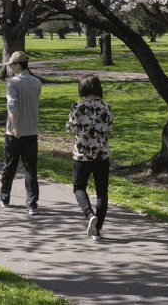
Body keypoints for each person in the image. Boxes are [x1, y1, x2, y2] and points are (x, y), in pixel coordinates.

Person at [66, 74, 113, 240]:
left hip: (82, 155)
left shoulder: (77, 107)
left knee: (79, 187)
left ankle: (89, 214)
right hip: (101, 154)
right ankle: (97, 229)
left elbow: (70, 128)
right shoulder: (105, 106)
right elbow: (109, 126)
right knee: (102, 192)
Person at [0, 50, 42, 214]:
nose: (9, 68)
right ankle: (31, 204)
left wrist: (14, 126)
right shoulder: (37, 82)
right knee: (30, 168)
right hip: (31, 131)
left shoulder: (12, 83)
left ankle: (4, 196)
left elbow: (12, 106)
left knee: (10, 166)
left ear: (17, 65)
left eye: (10, 65)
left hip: (14, 133)